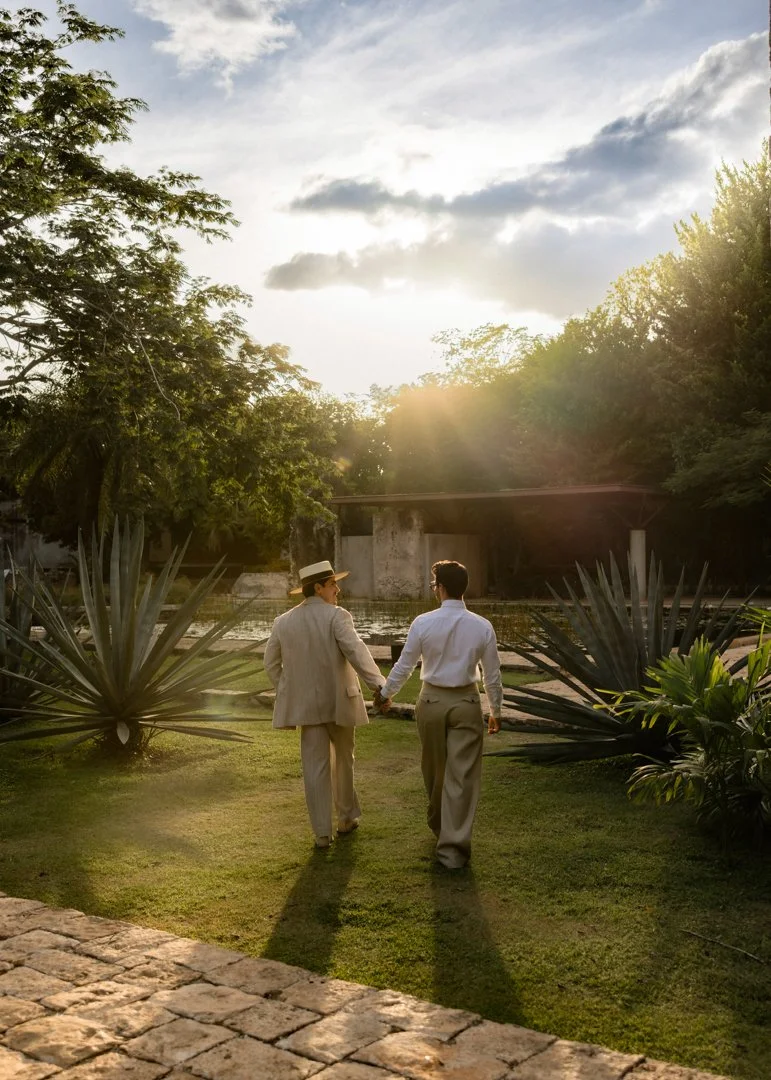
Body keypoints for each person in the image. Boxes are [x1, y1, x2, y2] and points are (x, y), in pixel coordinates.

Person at [374, 560, 502, 869]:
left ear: (441, 588)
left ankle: (442, 830)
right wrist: (495, 710)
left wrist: (385, 693)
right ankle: (452, 847)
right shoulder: (482, 625)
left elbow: (406, 664)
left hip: (430, 700)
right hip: (466, 702)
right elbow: (492, 675)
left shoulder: (423, 622)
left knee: (434, 771)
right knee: (462, 776)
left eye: (434, 585)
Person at [264, 559, 387, 850]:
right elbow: (357, 652)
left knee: (314, 768)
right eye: (333, 584)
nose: (338, 589)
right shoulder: (337, 616)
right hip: (340, 701)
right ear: (318, 588)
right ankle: (346, 818)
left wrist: (289, 689)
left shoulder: (283, 622)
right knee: (344, 760)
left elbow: (270, 664)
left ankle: (322, 833)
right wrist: (379, 686)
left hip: (305, 705)